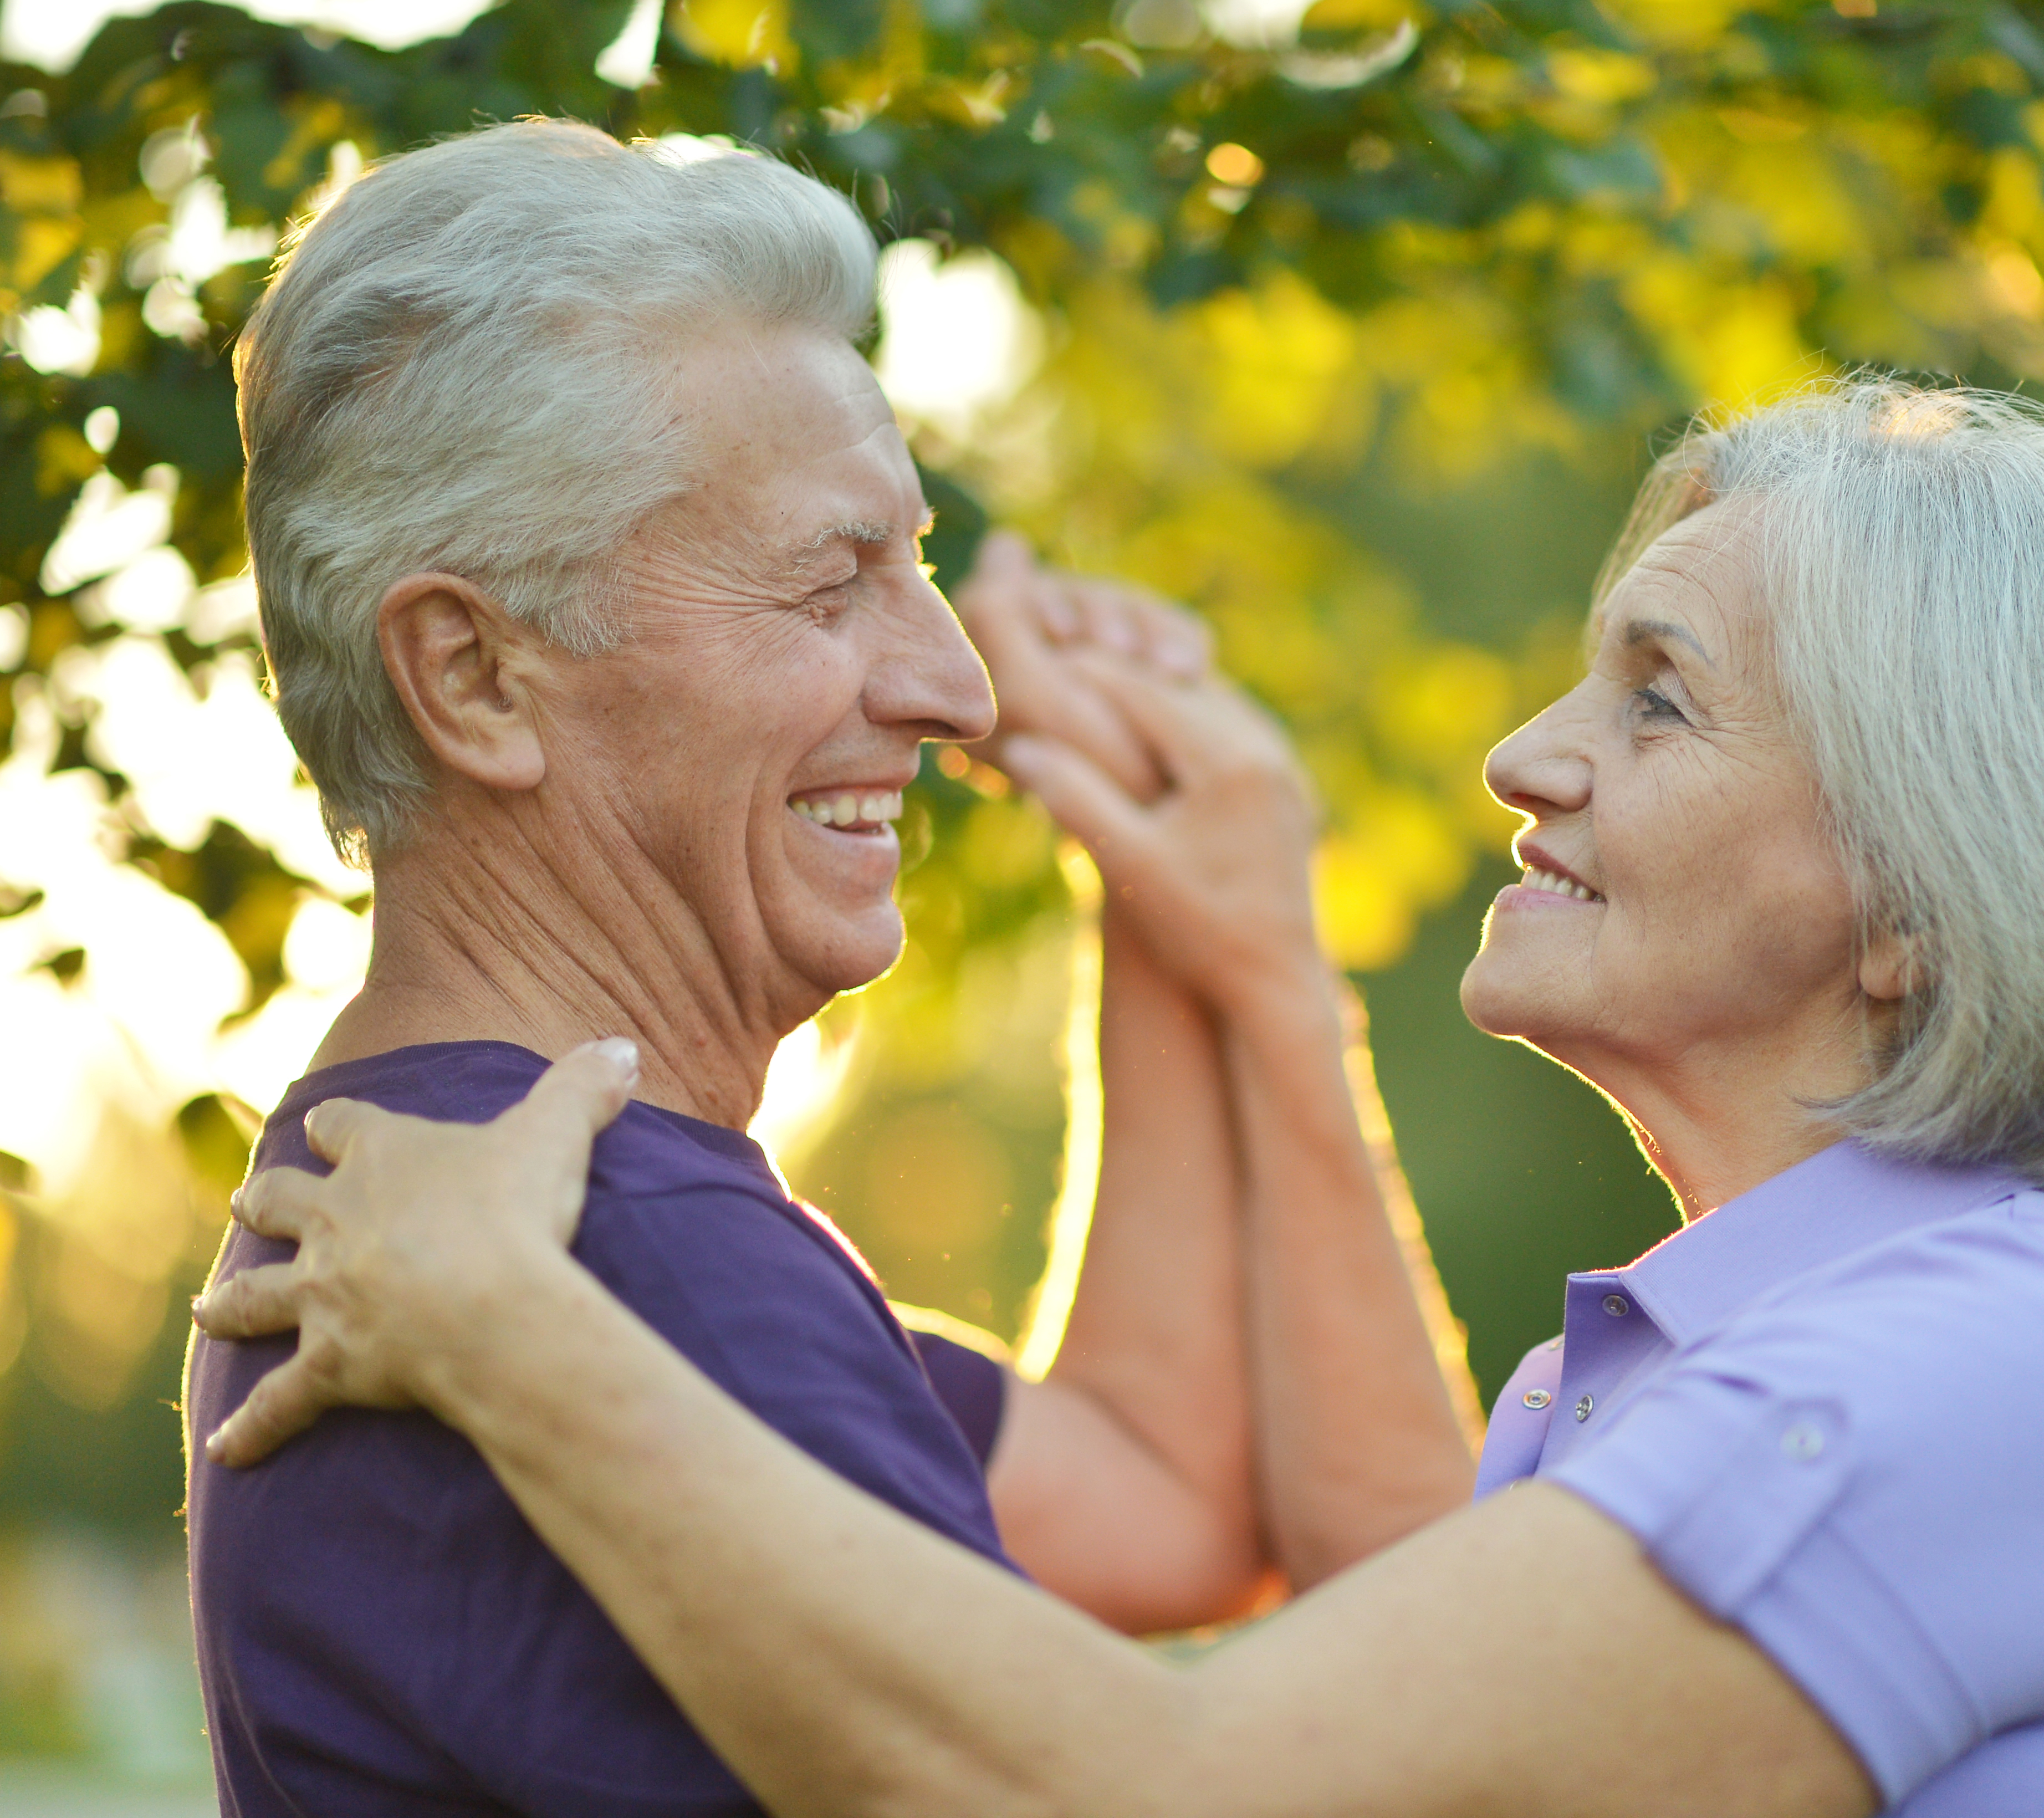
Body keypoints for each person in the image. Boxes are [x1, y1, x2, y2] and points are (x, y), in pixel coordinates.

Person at [200, 377, 2044, 1817]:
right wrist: (1234, 944)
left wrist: (514, 1334)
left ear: (1915, 894)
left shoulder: (1982, 1369)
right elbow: (1376, 1610)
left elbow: (1152, 1789)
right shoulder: (1774, 1354)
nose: (1524, 756)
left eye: (1656, 701)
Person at [184, 119, 1476, 1816]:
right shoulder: (613, 1248)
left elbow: (1172, 1505)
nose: (961, 688)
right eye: (830, 582)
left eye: (922, 563)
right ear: (477, 677)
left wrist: (1187, 906)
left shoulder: (482, 1199)